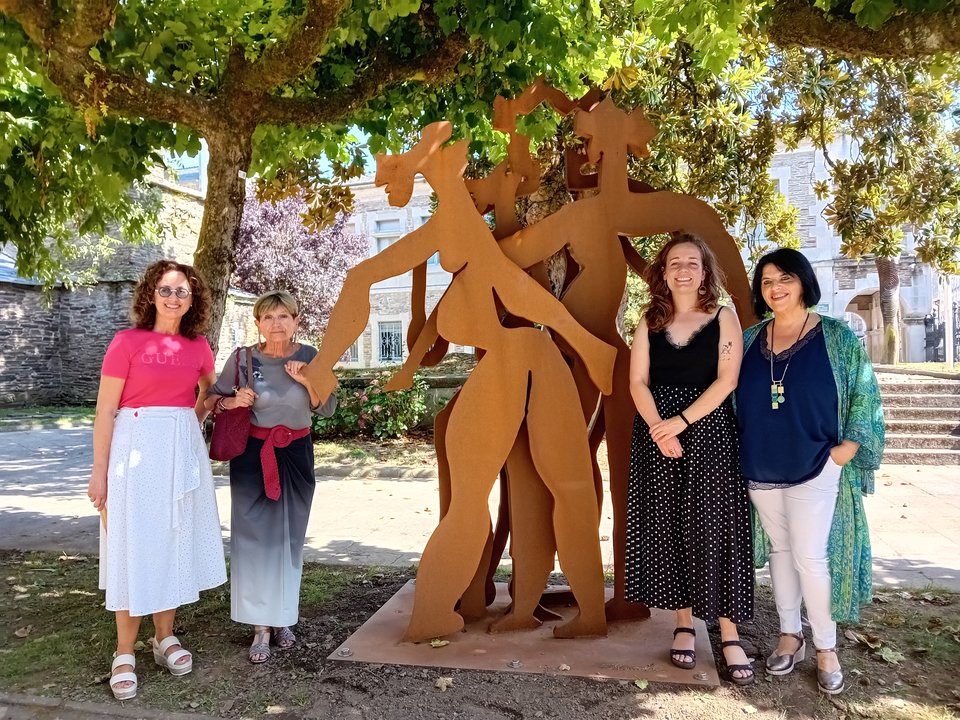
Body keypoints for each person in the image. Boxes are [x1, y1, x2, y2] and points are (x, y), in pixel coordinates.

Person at [737, 248, 884, 695]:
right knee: (781, 552)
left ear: (803, 283)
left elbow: (864, 394)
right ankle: (789, 634)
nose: (775, 288)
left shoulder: (836, 337)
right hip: (760, 465)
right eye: (765, 281)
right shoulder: (747, 339)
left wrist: (846, 450)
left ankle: (826, 647)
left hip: (817, 464)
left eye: (784, 278)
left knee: (811, 556)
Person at [88, 260, 227, 701]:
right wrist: (98, 471)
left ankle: (164, 637)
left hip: (181, 452)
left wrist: (197, 417)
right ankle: (124, 651)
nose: (173, 297)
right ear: (151, 294)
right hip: (134, 449)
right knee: (131, 544)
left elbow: (209, 395)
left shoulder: (198, 346)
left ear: (193, 299)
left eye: (182, 291)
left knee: (172, 540)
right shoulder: (126, 342)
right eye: (166, 290)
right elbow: (105, 411)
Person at [626, 234, 754, 685]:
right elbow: (637, 382)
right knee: (671, 526)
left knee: (713, 526)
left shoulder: (724, 318)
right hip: (657, 435)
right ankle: (684, 623)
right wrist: (660, 427)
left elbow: (727, 380)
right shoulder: (649, 321)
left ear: (705, 271)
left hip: (708, 433)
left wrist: (679, 421)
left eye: (692, 262)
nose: (683, 269)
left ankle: (728, 632)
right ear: (663, 272)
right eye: (674, 262)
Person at [205, 291, 336, 663]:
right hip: (252, 457)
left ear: (297, 321)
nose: (276, 323)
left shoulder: (310, 356)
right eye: (268, 317)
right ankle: (260, 627)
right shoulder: (244, 359)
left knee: (288, 540)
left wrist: (307, 381)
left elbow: (326, 407)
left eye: (284, 316)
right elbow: (211, 398)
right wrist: (232, 401)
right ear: (258, 322)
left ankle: (282, 620)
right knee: (253, 539)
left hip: (296, 455)